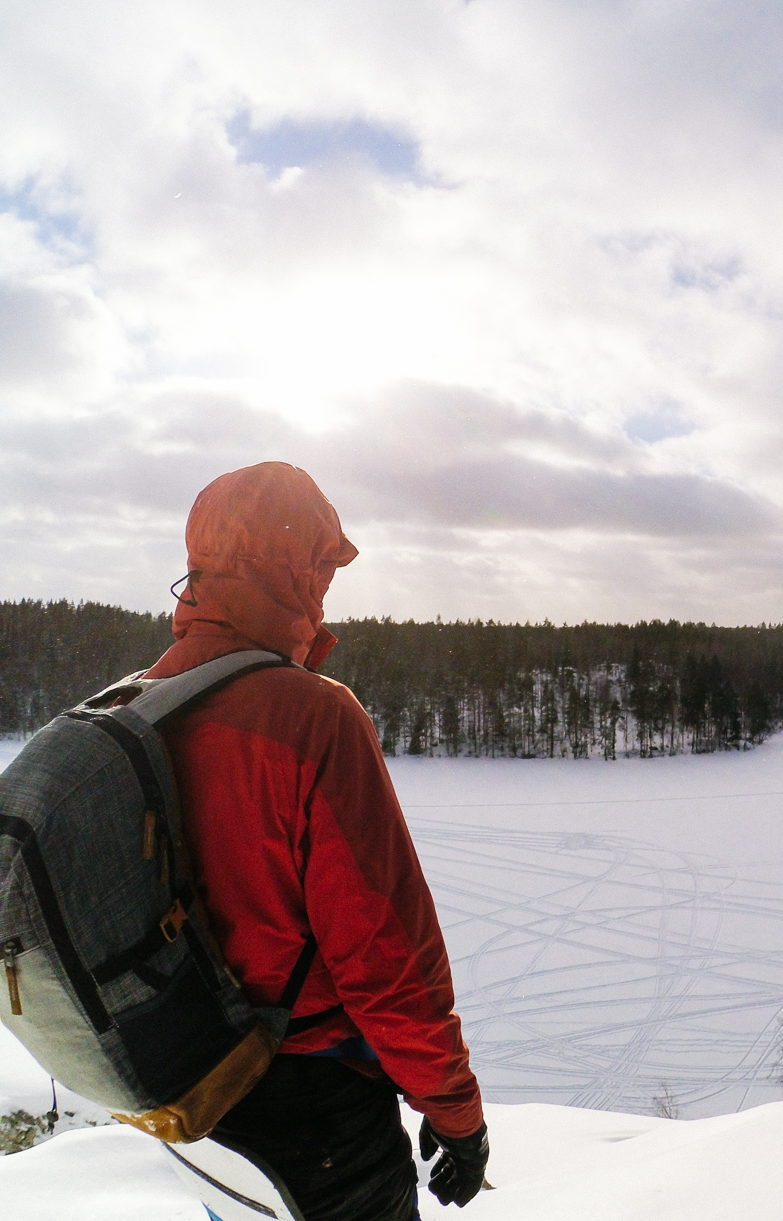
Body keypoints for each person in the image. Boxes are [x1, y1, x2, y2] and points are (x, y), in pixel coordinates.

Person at [144, 462, 487, 1221]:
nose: (327, 585)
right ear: (288, 565)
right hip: (313, 1109)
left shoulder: (139, 703)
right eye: (322, 564)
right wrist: (455, 1112)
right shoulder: (313, 718)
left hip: (192, 1104)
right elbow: (386, 955)